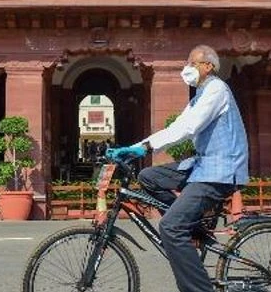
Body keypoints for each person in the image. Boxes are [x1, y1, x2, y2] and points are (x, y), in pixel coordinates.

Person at [106, 44, 249, 292]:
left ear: (208, 66)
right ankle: (191, 224)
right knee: (148, 177)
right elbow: (177, 126)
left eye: (192, 63)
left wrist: (146, 148)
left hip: (220, 169)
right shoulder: (200, 96)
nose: (187, 68)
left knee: (170, 228)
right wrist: (135, 147)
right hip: (203, 164)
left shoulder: (216, 90)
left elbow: (188, 128)